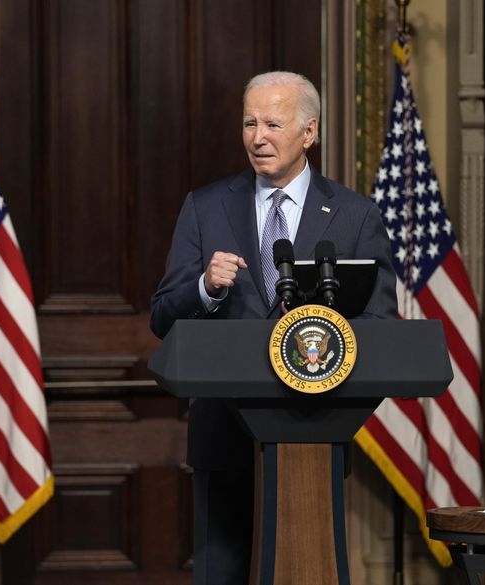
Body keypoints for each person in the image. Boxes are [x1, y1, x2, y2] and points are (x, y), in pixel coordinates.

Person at [150, 71, 397, 585]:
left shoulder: (354, 216)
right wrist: (205, 288)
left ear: (309, 132)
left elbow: (378, 324)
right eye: (249, 122)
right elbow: (162, 316)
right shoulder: (206, 205)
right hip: (223, 434)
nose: (257, 137)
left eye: (272, 123)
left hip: (313, 429)